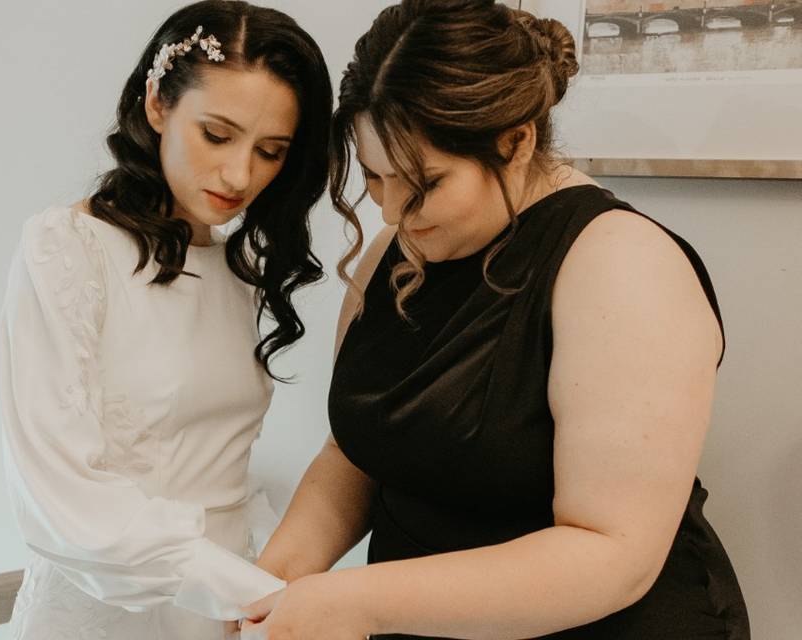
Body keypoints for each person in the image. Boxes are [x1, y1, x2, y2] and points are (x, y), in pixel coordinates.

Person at [238, 1, 750, 638]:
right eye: (375, 176)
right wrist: (277, 578)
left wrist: (357, 600)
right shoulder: (394, 252)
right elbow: (355, 451)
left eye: (425, 183)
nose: (394, 213)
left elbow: (613, 553)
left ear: (517, 142)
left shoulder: (622, 263)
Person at [0, 1, 332, 638]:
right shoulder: (67, 250)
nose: (240, 175)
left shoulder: (235, 271)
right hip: (116, 614)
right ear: (157, 103)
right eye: (217, 134)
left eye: (271, 150)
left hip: (233, 606)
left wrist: (269, 581)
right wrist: (248, 591)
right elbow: (62, 497)